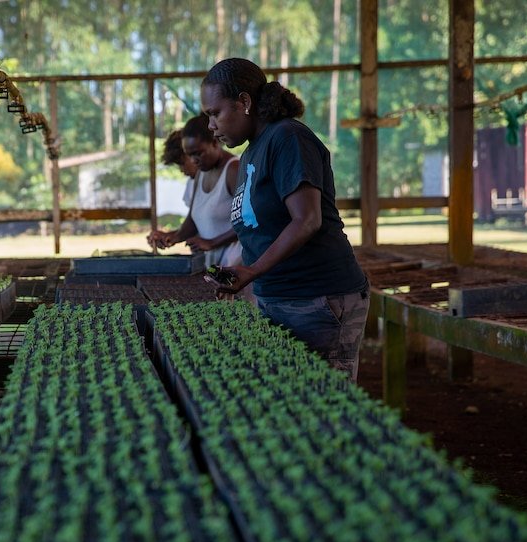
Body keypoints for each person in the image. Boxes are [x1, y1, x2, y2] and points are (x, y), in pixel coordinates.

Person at [200, 57, 369, 380]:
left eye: (214, 113)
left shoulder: (288, 138)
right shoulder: (252, 152)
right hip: (278, 298)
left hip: (318, 299)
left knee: (325, 403)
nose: (211, 126)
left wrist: (251, 270)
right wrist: (240, 276)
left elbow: (307, 220)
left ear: (244, 102)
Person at [147, 115, 242, 269]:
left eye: (198, 153)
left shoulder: (234, 170)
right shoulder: (201, 173)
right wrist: (172, 237)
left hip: (236, 266)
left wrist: (212, 242)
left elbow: (250, 222)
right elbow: (193, 219)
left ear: (214, 143)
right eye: (189, 155)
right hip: (213, 265)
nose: (193, 160)